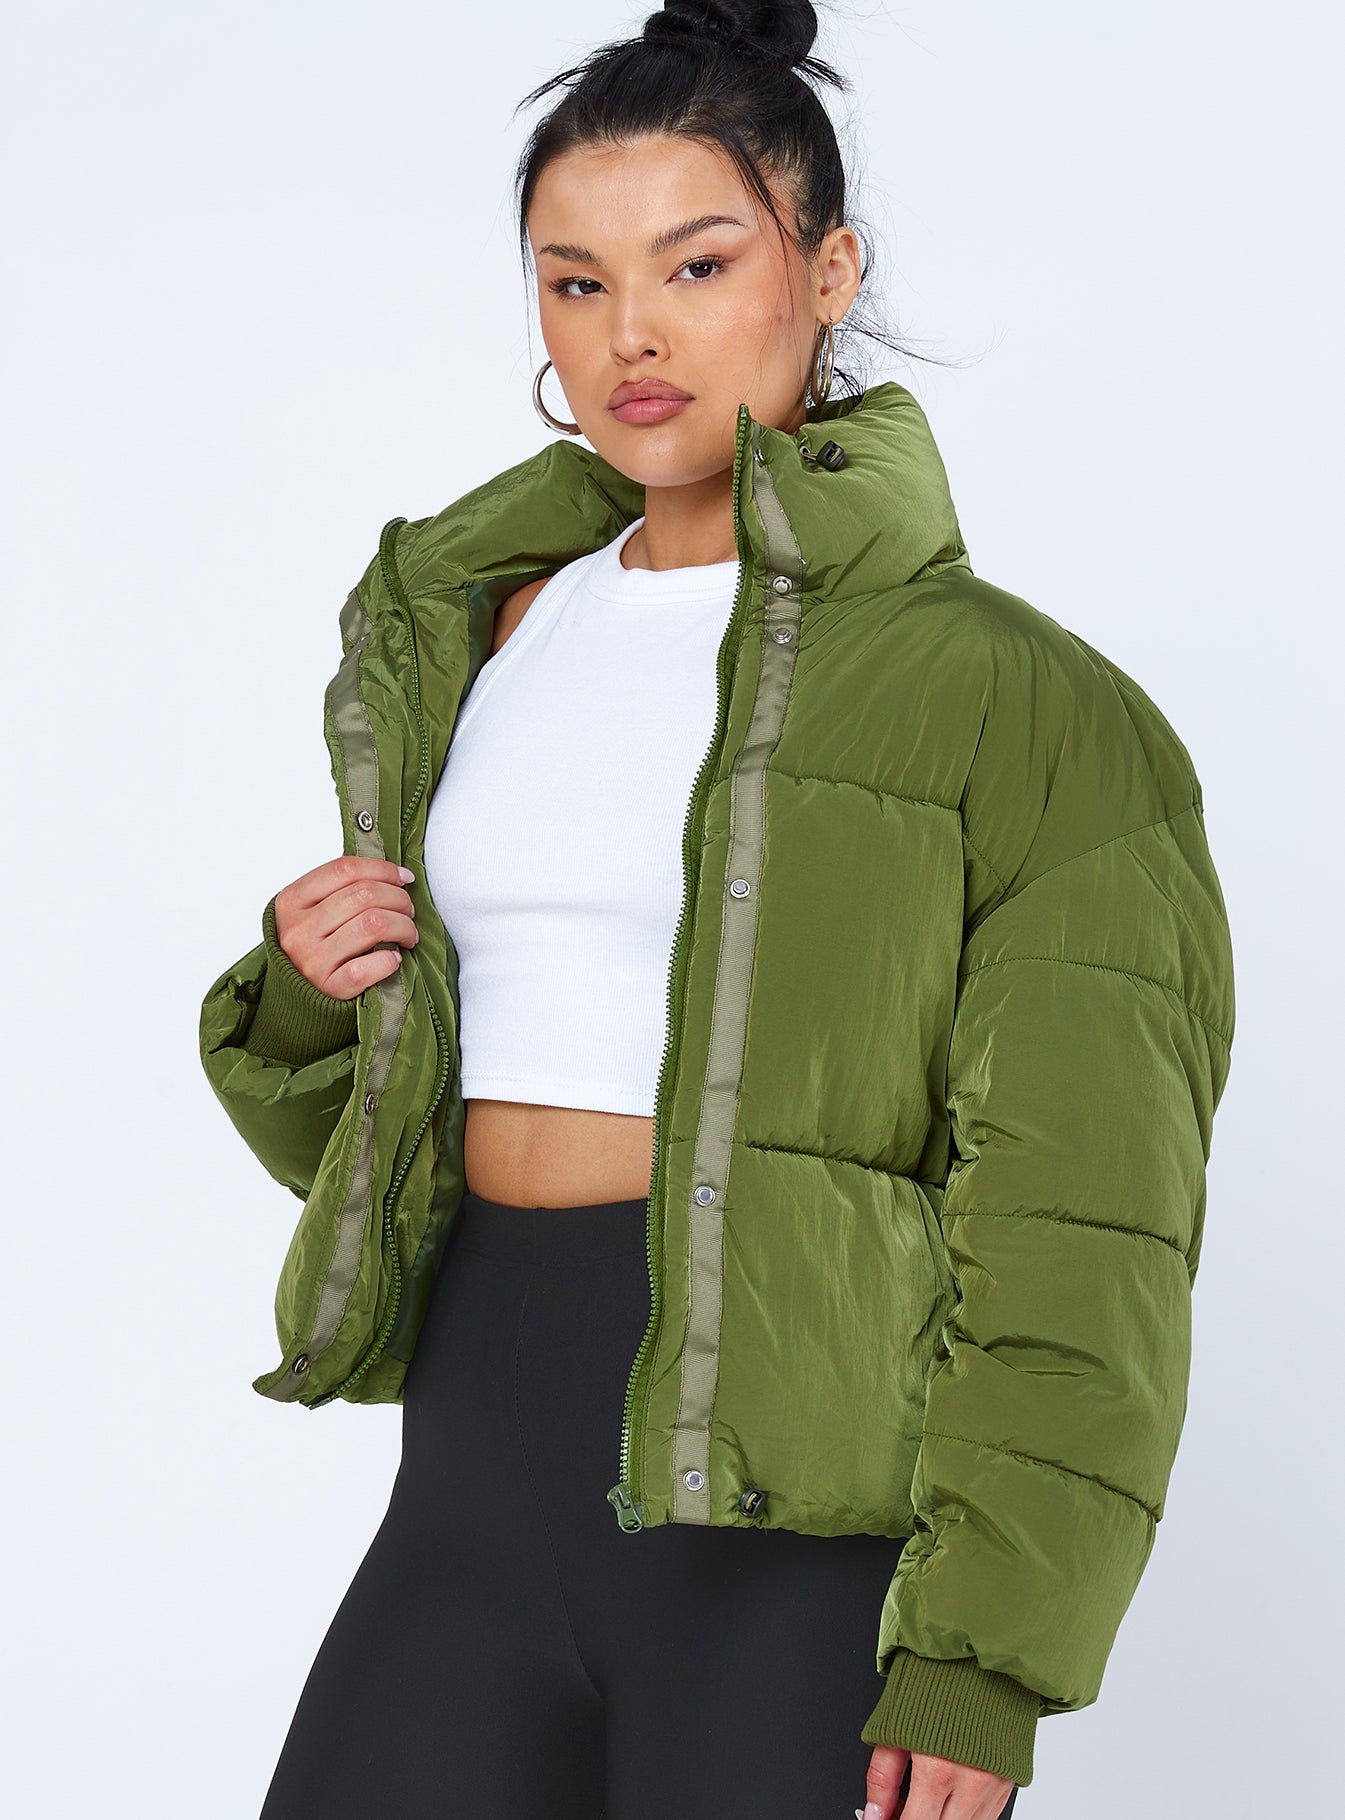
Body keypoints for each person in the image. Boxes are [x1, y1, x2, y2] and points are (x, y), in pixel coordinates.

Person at [198, 4, 1236, 1817]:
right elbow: (405, 1131)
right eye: (575, 282)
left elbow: (1087, 1227)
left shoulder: (1024, 705)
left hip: (792, 1565)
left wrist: (983, 1658)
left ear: (826, 270)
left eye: (695, 265)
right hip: (468, 1496)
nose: (632, 334)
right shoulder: (484, 631)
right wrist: (304, 994)